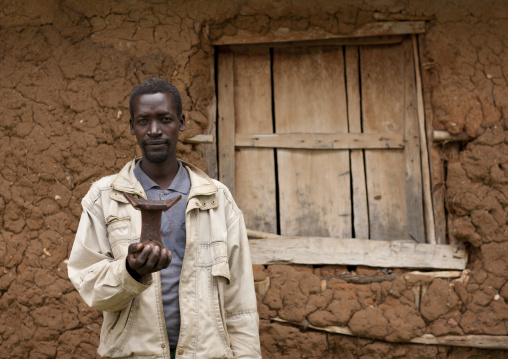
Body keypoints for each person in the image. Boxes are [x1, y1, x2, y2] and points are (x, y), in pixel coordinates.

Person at [68, 78, 261, 359]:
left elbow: (240, 301)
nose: (154, 130)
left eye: (165, 119)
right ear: (132, 126)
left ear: (181, 122)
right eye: (143, 121)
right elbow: (90, 286)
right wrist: (131, 271)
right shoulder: (105, 197)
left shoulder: (217, 199)